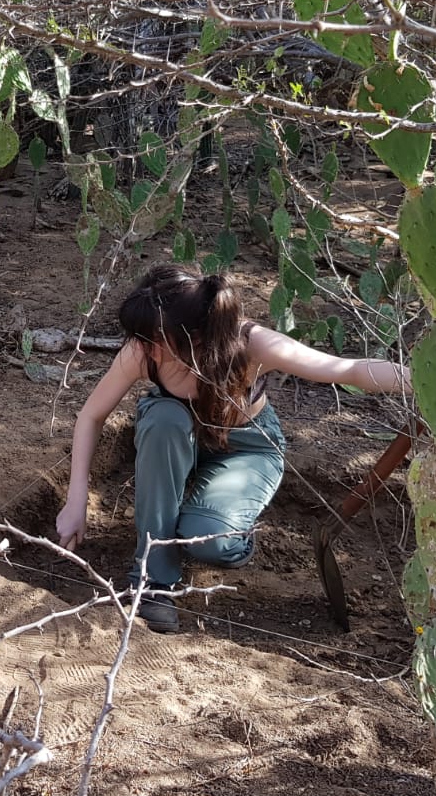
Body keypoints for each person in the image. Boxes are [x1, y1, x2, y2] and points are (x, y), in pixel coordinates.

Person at [57, 265, 410, 633]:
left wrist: (422, 379)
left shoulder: (251, 344)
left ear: (194, 337)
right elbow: (91, 416)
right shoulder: (144, 350)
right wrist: (76, 496)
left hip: (246, 448)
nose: (142, 347)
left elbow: (346, 370)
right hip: (175, 439)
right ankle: (153, 581)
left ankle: (221, 520)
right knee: (164, 419)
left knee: (211, 543)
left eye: (153, 339)